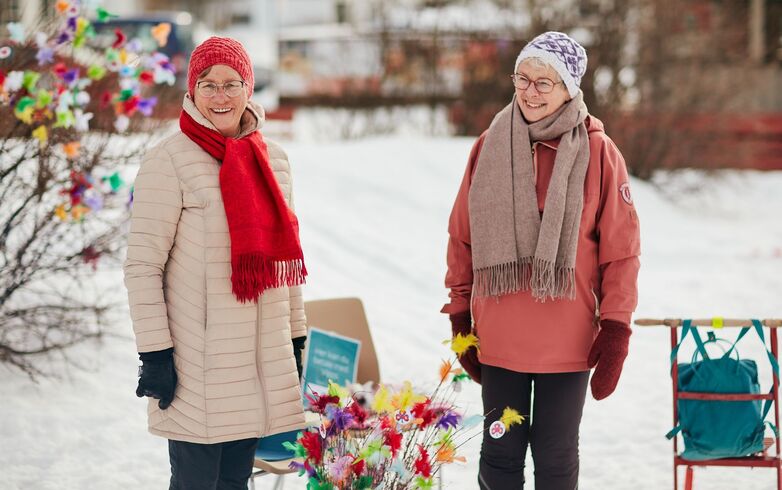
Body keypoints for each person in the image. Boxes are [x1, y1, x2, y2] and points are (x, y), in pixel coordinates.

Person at [442, 31, 640, 489]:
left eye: (543, 83)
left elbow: (621, 251)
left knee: (554, 456)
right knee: (500, 454)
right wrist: (458, 315)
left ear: (569, 88)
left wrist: (616, 328)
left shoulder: (598, 153)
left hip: (567, 344)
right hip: (500, 338)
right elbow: (462, 237)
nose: (529, 92)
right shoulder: (489, 145)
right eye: (522, 78)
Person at [123, 37, 309, 490]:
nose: (220, 96)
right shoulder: (168, 161)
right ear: (192, 91)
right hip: (196, 368)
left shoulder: (273, 161)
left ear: (249, 88)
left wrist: (296, 336)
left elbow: (286, 261)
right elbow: (142, 267)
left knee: (235, 485)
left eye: (231, 84)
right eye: (208, 84)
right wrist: (156, 355)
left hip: (256, 365)